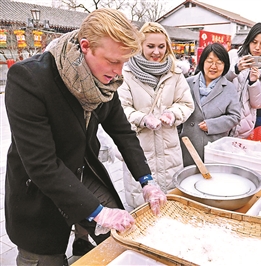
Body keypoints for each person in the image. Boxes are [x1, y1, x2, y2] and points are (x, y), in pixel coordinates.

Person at [4, 8, 167, 265]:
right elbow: (40, 164)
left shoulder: (106, 82)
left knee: (122, 237)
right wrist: (98, 213)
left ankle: (87, 239)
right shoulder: (29, 78)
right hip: (38, 185)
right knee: (44, 257)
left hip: (82, 170)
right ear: (85, 46)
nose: (118, 72)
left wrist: (147, 181)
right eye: (113, 61)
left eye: (124, 62)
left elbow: (123, 132)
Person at [118, 22, 194, 209]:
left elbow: (186, 103)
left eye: (161, 46)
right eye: (150, 46)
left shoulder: (175, 73)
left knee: (170, 204)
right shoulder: (126, 74)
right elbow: (121, 109)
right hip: (139, 150)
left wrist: (173, 114)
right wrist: (142, 119)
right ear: (140, 46)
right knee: (141, 205)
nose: (156, 52)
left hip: (169, 151)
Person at [180, 43, 241, 166]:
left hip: (213, 147)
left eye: (219, 62)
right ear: (202, 62)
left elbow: (235, 117)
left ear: (225, 65)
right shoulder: (187, 83)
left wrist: (212, 125)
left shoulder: (229, 88)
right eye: (210, 61)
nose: (214, 66)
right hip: (186, 146)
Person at [225, 22, 261, 139]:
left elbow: (259, 103)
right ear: (248, 40)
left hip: (244, 126)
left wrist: (254, 82)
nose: (257, 47)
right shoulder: (232, 56)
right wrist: (236, 70)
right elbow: (217, 82)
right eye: (254, 42)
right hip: (223, 119)